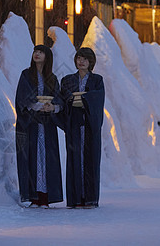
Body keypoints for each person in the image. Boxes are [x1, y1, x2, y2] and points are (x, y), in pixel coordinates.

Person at [15, 44, 64, 208]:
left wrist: (53, 107)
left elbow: (58, 99)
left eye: (41, 52)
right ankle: (34, 196)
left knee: (46, 158)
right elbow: (22, 97)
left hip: (47, 125)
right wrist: (35, 105)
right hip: (31, 124)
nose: (36, 54)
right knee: (31, 157)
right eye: (35, 51)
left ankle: (46, 197)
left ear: (47, 56)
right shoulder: (26, 75)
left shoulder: (52, 78)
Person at [60, 47, 104, 209]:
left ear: (91, 62)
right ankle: (76, 198)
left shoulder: (97, 80)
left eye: (85, 59)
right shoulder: (68, 80)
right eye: (79, 58)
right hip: (74, 124)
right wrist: (70, 99)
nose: (81, 61)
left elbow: (98, 99)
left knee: (91, 160)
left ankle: (90, 198)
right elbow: (63, 97)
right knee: (74, 159)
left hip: (89, 125)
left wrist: (84, 98)